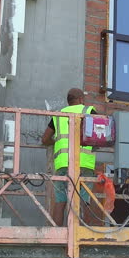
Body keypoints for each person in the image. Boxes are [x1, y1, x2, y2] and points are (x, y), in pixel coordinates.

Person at [41, 88, 97, 226]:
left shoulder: (59, 115)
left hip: (63, 164)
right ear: (81, 99)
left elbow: (45, 139)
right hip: (83, 163)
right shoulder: (89, 111)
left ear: (69, 101)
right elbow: (101, 132)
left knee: (60, 201)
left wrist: (56, 142)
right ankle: (84, 234)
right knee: (84, 201)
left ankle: (57, 233)